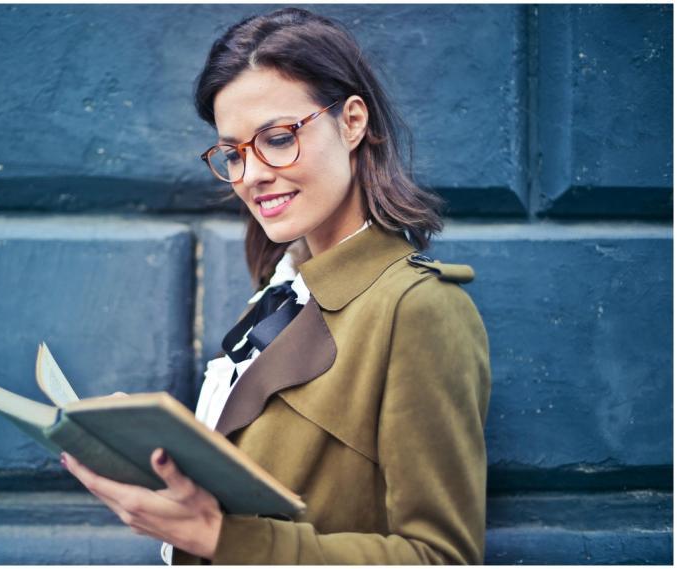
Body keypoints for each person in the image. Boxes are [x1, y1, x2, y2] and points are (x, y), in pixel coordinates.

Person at [61, 7, 491, 564]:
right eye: (234, 152)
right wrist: (163, 461)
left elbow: (441, 557)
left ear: (352, 122)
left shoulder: (419, 309)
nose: (252, 174)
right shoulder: (279, 293)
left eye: (279, 138)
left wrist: (223, 539)